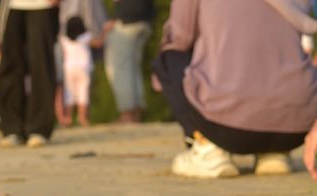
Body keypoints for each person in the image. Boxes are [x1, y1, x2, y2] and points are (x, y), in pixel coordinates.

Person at [153, 0, 317, 179]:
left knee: (168, 57)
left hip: (222, 125)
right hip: (295, 125)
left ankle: (207, 148)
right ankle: (275, 153)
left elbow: (180, 37)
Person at [0, 0, 61, 148]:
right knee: (9, 61)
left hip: (43, 4)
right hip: (7, 4)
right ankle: (11, 129)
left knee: (42, 61)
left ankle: (39, 129)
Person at [104, 0, 154, 124]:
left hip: (126, 19)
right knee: (133, 68)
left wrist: (115, 17)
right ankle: (136, 114)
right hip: (145, 19)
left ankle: (127, 115)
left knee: (120, 69)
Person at [57, 16, 93, 127]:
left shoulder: (64, 39)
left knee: (69, 93)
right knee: (83, 92)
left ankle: (67, 118)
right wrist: (105, 32)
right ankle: (82, 117)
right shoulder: (86, 37)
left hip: (69, 68)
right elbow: (98, 42)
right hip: (84, 68)